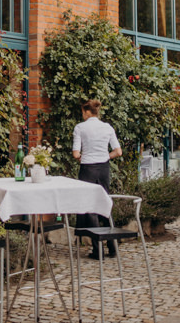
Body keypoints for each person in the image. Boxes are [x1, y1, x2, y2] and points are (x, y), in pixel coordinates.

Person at [72, 99, 122, 258]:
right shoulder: (107, 127)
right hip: (104, 169)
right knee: (104, 203)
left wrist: (82, 157)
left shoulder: (80, 128)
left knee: (91, 206)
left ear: (87, 112)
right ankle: (112, 247)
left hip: (88, 169)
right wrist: (105, 156)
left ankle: (97, 249)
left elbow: (76, 153)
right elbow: (118, 151)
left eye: (82, 112)